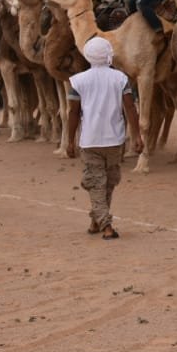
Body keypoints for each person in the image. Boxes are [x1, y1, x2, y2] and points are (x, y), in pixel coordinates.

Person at [65, 37, 141, 239]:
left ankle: (101, 222)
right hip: (115, 140)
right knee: (105, 183)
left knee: (97, 183)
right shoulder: (121, 79)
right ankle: (100, 221)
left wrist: (70, 141)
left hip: (90, 140)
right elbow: (130, 107)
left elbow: (73, 113)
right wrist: (137, 136)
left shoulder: (78, 81)